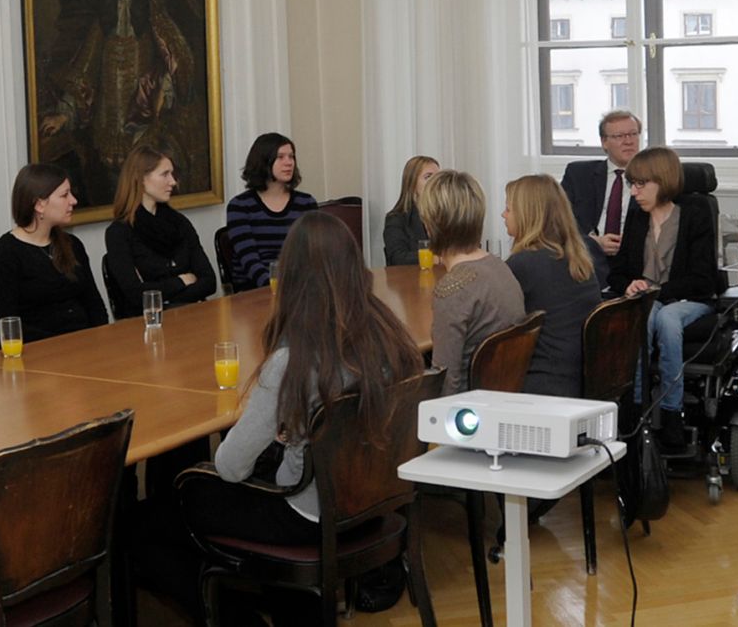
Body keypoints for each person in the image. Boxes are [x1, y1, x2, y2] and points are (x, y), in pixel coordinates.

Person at [177, 210, 423, 555]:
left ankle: (237, 605)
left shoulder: (292, 361)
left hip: (309, 515)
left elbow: (231, 467)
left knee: (184, 499)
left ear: (291, 277)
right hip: (376, 496)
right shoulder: (386, 335)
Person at [36, 0, 196, 205]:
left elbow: (177, 55)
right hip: (108, 128)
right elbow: (85, 69)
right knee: (117, 198)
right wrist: (66, 113)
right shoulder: (104, 14)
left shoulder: (152, 8)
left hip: (145, 127)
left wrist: (164, 90)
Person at [607, 147, 722, 451]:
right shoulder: (636, 218)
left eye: (641, 184)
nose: (634, 192)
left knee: (667, 319)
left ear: (663, 180)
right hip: (648, 300)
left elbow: (703, 279)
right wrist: (629, 285)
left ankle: (672, 413)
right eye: (633, 184)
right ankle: (636, 408)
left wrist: (657, 291)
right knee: (645, 317)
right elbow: (616, 273)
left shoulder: (695, 214)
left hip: (688, 299)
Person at [0, 163, 109, 346]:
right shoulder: (3, 256)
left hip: (86, 349)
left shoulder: (73, 245)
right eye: (64, 195)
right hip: (39, 359)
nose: (73, 201)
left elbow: (95, 307)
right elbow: (8, 328)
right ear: (40, 205)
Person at [422, 170, 525, 395]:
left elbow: (446, 383)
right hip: (502, 398)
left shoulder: (453, 289)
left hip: (469, 412)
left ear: (431, 224)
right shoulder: (499, 267)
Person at [502, 175, 604, 398]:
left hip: (543, 382)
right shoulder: (577, 258)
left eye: (509, 209)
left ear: (528, 215)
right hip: (579, 378)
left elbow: (497, 323)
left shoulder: (524, 264)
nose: (503, 215)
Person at [104, 146, 216, 319]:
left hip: (191, 317)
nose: (172, 181)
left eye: (172, 174)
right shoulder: (119, 232)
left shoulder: (180, 223)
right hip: (146, 327)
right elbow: (134, 295)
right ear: (140, 178)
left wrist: (163, 300)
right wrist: (181, 281)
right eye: (165, 174)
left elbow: (209, 281)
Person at [224, 133, 318, 290]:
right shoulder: (239, 206)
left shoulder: (306, 203)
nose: (289, 163)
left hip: (300, 287)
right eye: (280, 157)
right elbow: (249, 260)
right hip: (254, 290)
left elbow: (314, 253)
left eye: (291, 157)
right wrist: (275, 286)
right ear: (263, 161)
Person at [560, 110, 642, 270]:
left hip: (634, 261)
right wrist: (593, 243)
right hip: (585, 259)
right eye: (619, 136)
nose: (628, 141)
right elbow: (558, 222)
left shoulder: (653, 178)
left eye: (633, 134)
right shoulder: (579, 175)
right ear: (604, 142)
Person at [382, 155, 439, 266]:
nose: (435, 183)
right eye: (428, 177)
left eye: (438, 178)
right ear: (412, 183)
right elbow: (398, 257)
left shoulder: (447, 214)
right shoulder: (396, 219)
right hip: (409, 280)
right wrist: (436, 258)